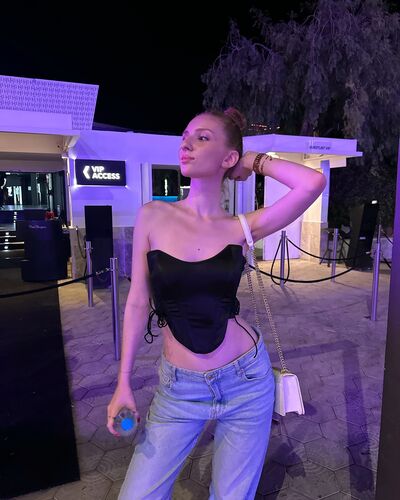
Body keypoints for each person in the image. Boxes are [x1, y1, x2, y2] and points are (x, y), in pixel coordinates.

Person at [107, 108, 326, 499]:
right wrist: (123, 382)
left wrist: (251, 160)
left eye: (202, 137)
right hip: (179, 391)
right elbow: (138, 301)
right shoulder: (153, 215)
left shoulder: (240, 226)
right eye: (185, 135)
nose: (186, 143)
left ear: (228, 157)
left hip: (246, 382)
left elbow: (312, 182)